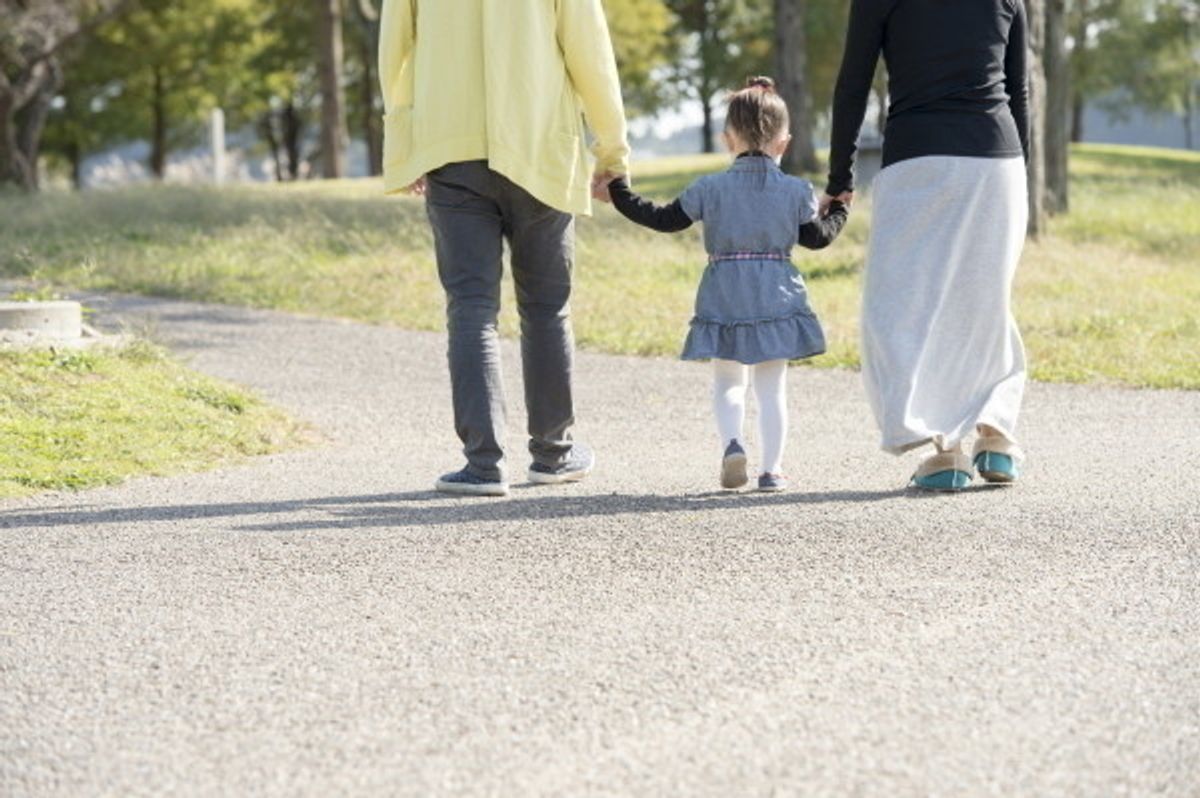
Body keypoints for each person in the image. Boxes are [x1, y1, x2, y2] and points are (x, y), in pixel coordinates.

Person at [378, 0, 630, 497]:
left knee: (471, 309)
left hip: (450, 147)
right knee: (547, 308)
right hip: (539, 145)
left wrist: (408, 141)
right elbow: (590, 52)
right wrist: (612, 150)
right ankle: (553, 456)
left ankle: (482, 465)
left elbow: (393, 50)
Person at [598, 78, 849, 492]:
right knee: (772, 387)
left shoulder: (709, 188)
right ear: (784, 143)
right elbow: (817, 238)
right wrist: (838, 208)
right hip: (776, 293)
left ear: (727, 139)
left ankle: (733, 444)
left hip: (724, 291)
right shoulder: (795, 190)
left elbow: (662, 219)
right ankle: (772, 470)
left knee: (729, 382)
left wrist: (619, 191)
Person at [825, 0, 1031, 491]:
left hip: (918, 158)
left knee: (899, 308)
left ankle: (947, 450)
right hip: (997, 163)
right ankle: (997, 435)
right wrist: (1019, 176)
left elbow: (853, 83)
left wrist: (840, 178)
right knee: (984, 304)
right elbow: (1018, 89)